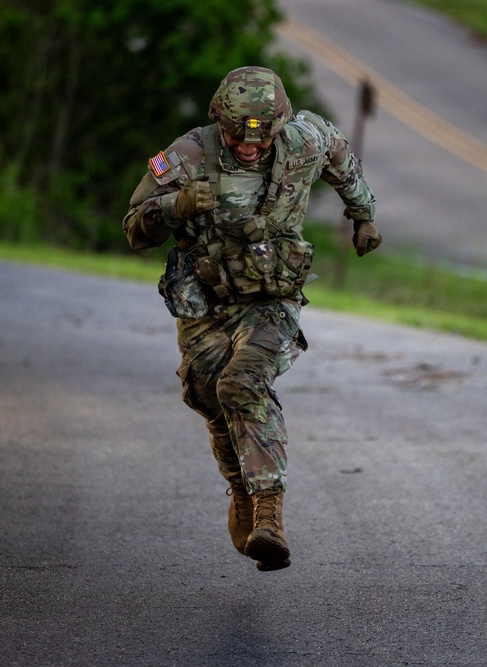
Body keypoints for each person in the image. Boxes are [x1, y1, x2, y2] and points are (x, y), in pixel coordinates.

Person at [123, 66, 380, 572]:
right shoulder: (189, 154)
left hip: (272, 297)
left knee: (242, 384)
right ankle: (240, 489)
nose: (248, 146)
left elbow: (340, 156)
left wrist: (365, 213)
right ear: (219, 121)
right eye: (237, 136)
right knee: (208, 395)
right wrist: (174, 205)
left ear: (278, 128)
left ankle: (269, 516)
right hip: (205, 301)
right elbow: (134, 226)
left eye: (260, 137)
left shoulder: (303, 139)